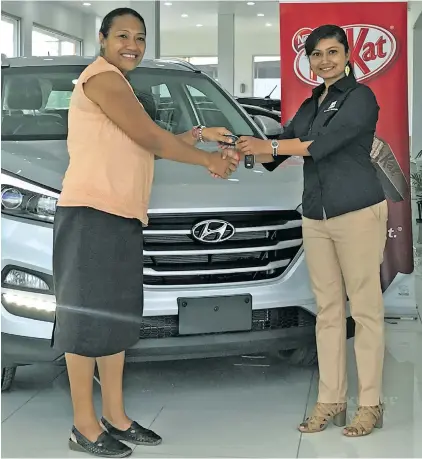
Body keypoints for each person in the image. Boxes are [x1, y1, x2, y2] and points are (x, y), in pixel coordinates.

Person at [52, 7, 239, 457]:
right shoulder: (101, 79)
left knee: (114, 322)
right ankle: (83, 424)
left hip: (119, 216)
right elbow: (153, 139)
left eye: (139, 37)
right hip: (90, 213)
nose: (132, 44)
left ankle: (115, 416)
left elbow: (139, 145)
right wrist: (210, 160)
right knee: (84, 324)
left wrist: (195, 134)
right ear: (102, 39)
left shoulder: (121, 85)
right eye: (122, 36)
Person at [233, 24, 387, 437]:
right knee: (329, 310)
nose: (324, 61)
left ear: (348, 54)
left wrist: (273, 147)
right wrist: (242, 146)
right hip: (316, 214)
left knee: (366, 311)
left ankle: (370, 404)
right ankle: (332, 398)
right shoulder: (312, 101)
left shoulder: (360, 97)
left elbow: (320, 145)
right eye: (316, 55)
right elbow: (284, 141)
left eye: (332, 52)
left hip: (356, 210)